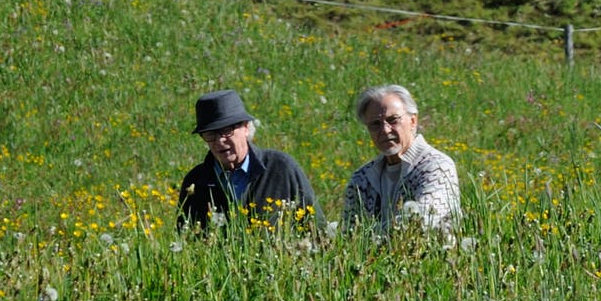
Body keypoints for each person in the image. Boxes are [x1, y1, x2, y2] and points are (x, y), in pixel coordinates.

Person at [177, 90, 322, 231]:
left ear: (246, 127)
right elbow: (184, 238)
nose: (220, 140)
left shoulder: (281, 169)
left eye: (227, 131)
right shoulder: (196, 182)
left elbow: (316, 229)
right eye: (210, 134)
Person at [342, 84, 462, 233]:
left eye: (393, 120)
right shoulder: (361, 179)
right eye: (375, 124)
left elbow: (419, 223)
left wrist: (370, 238)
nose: (385, 130)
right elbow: (349, 235)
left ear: (413, 121)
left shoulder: (437, 167)